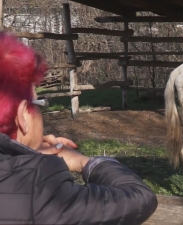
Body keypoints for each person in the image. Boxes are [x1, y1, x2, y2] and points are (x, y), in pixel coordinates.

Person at [0, 31, 158, 224]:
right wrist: (84, 162)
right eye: (38, 102)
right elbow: (140, 198)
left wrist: (26, 154)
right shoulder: (38, 188)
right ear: (23, 115)